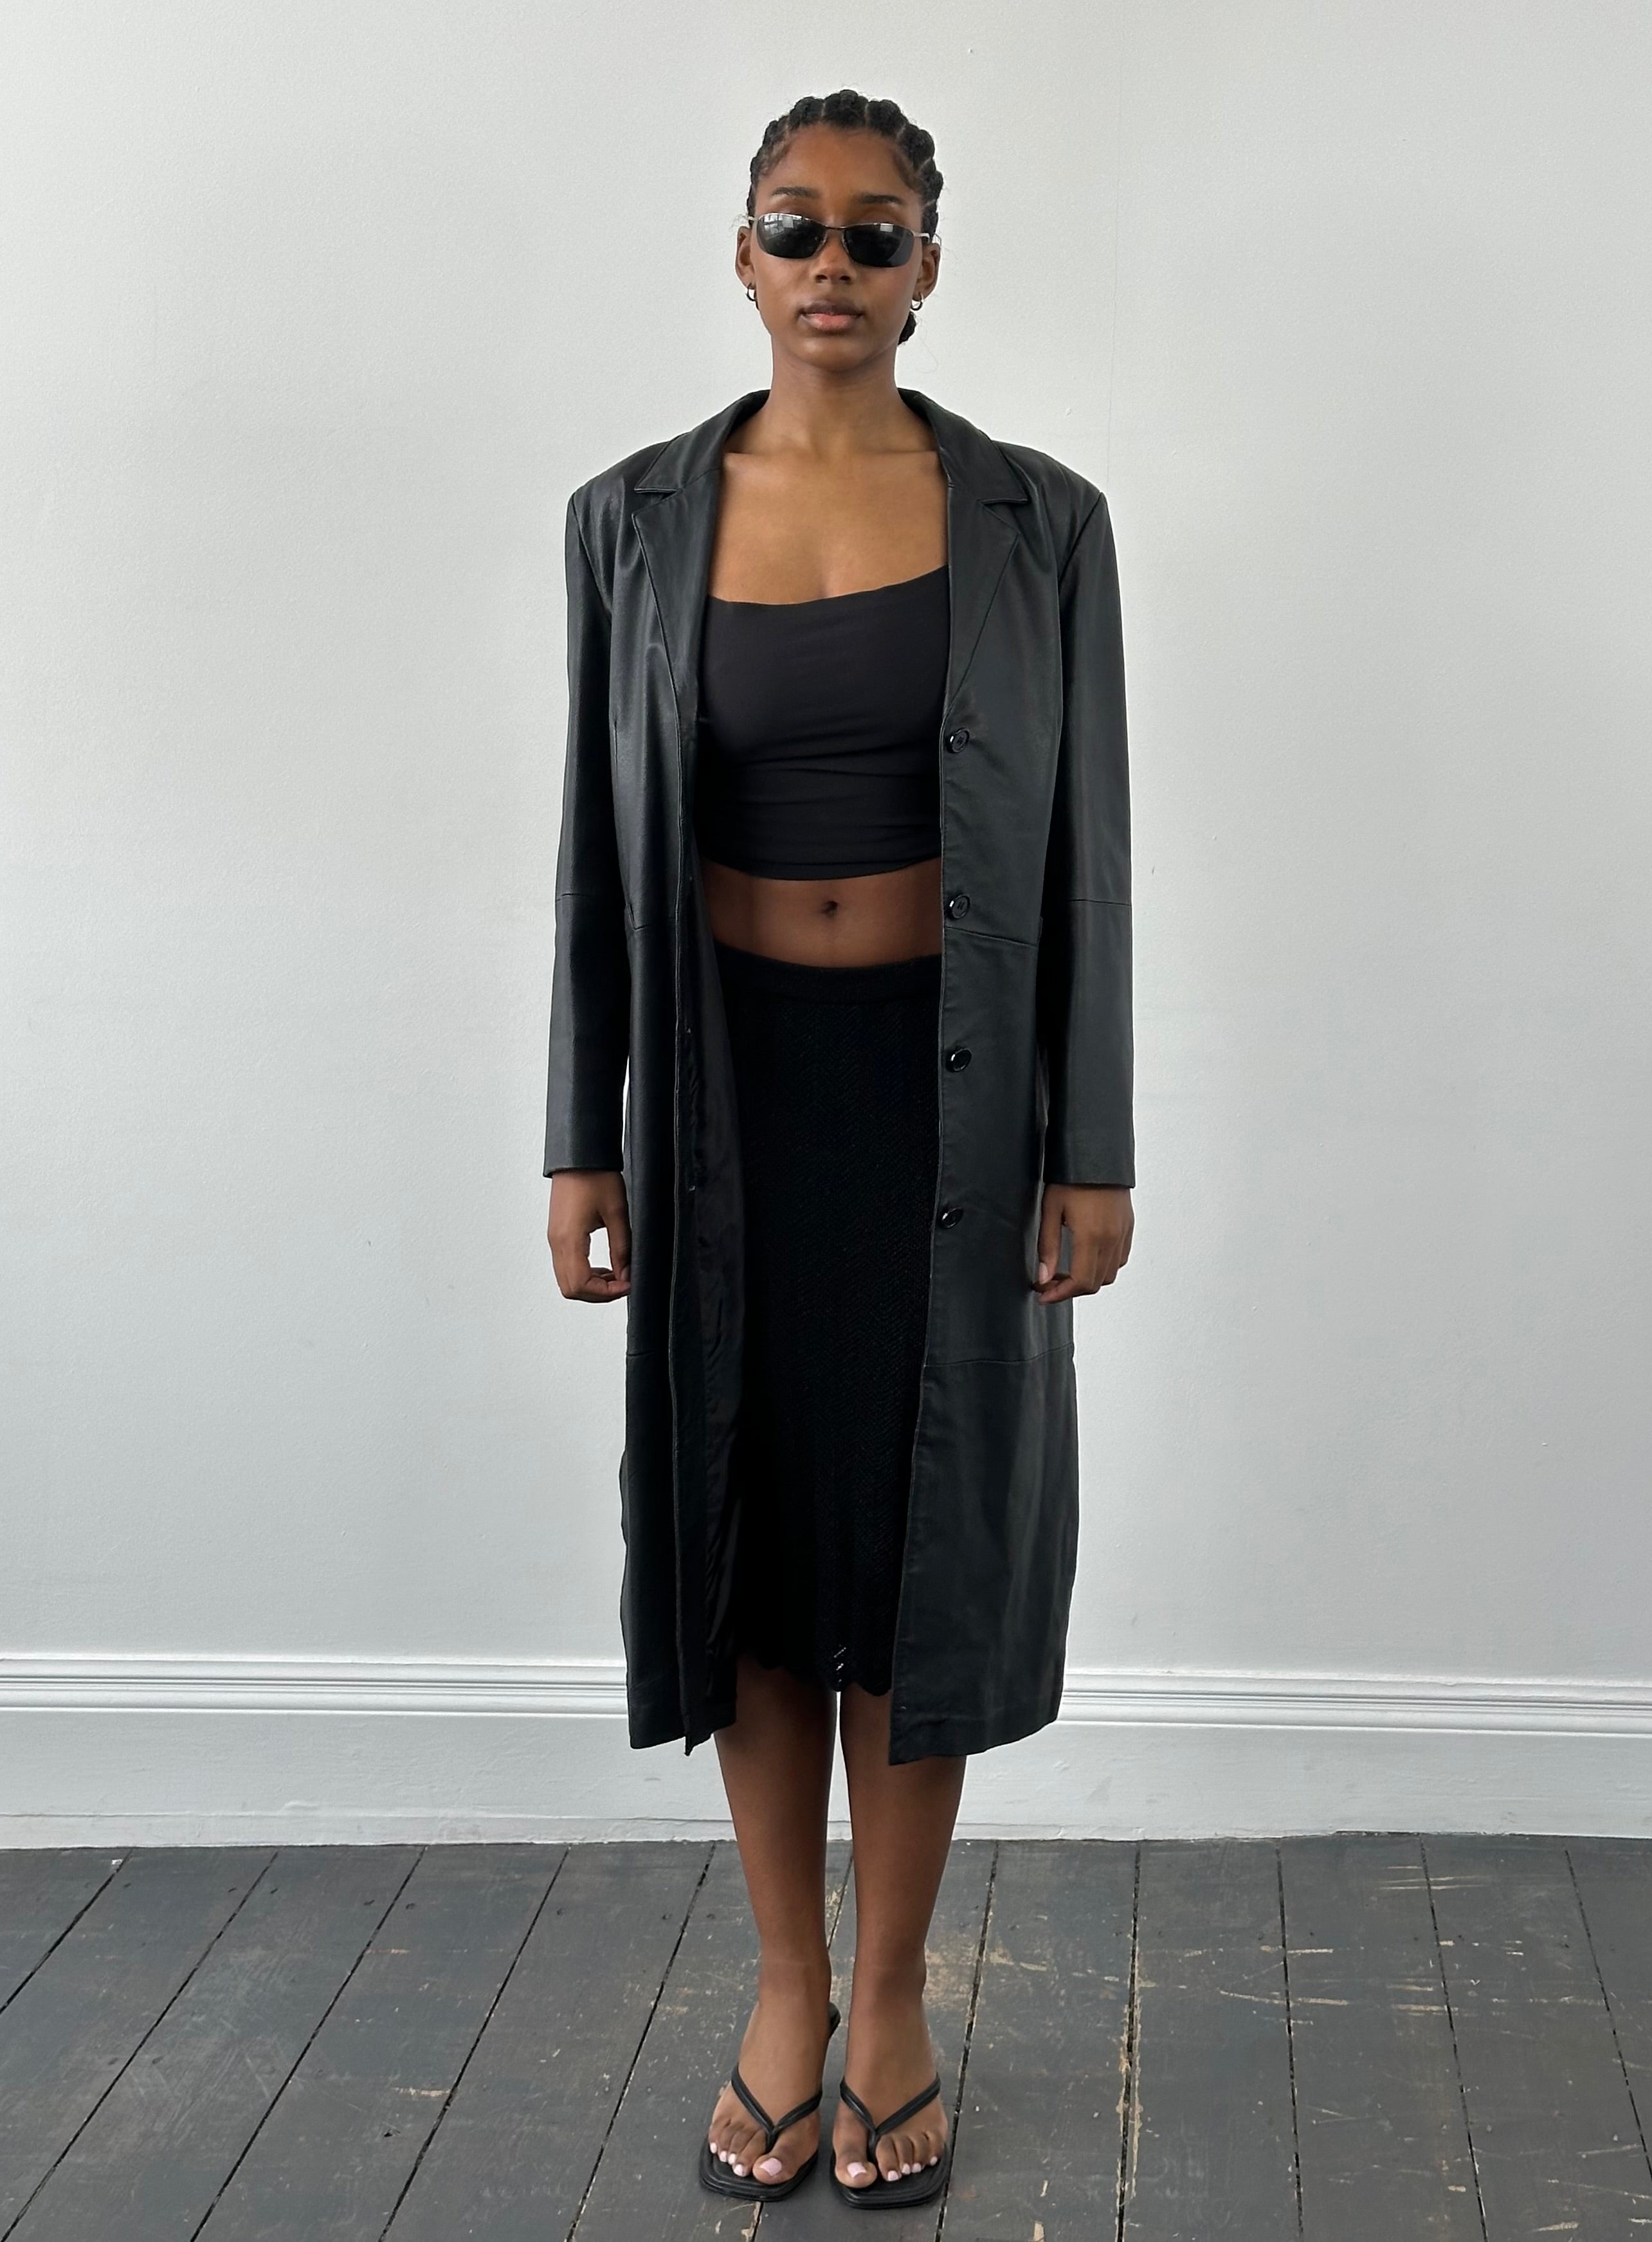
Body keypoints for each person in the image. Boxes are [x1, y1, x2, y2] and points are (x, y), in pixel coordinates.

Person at [544, 87, 1134, 2208]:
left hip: (947, 1100)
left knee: (921, 1551)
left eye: (877, 235)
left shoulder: (1041, 522)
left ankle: (890, 2004)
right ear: (743, 255)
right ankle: (782, 1989)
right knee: (756, 1551)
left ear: (928, 269)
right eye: (796, 228)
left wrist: (1093, 1142)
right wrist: (581, 1134)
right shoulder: (631, 520)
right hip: (724, 1100)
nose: (833, 266)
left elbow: (1089, 853)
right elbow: (594, 853)